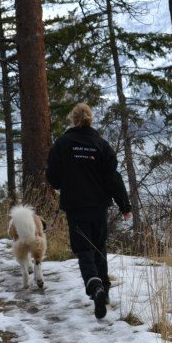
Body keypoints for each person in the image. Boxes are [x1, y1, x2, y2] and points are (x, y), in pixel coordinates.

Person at [46, 102, 132, 319]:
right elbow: (113, 177)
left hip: (75, 206)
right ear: (90, 118)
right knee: (98, 247)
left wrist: (62, 182)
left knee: (84, 250)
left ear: (72, 119)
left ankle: (95, 288)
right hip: (99, 206)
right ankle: (104, 289)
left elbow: (52, 176)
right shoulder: (101, 144)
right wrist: (124, 205)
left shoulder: (63, 144)